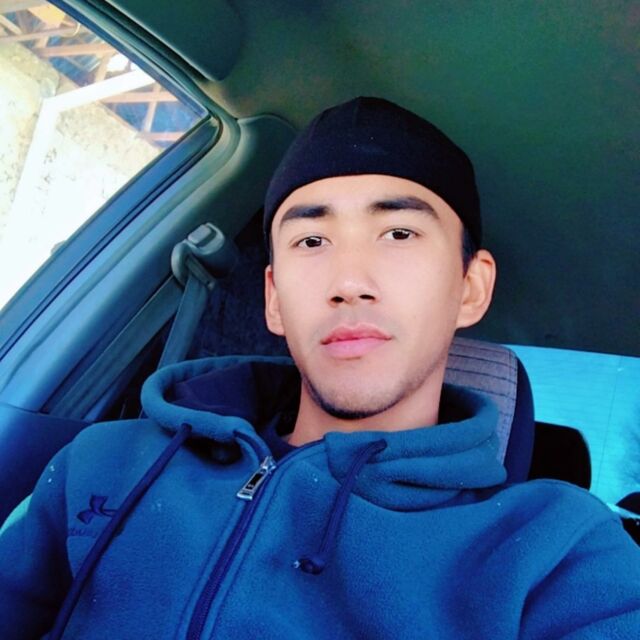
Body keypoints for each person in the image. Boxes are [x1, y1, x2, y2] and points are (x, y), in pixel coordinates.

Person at [1, 97, 639, 639]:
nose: (349, 282)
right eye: (311, 240)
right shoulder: (102, 463)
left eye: (399, 234)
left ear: (471, 288)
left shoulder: (559, 552)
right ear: (275, 299)